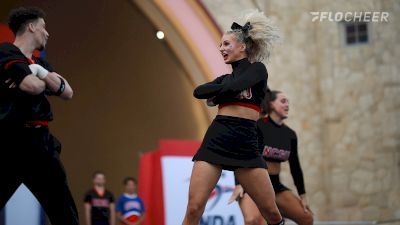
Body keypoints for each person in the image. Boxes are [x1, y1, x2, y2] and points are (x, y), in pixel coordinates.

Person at [182, 11, 283, 225]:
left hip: (246, 141)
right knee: (193, 208)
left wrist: (218, 93)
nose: (221, 49)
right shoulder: (225, 77)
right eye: (220, 45)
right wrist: (222, 88)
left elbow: (236, 86)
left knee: (272, 213)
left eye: (226, 44)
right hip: (218, 137)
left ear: (242, 47)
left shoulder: (257, 70)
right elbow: (199, 91)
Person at [0, 7, 78, 225]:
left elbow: (67, 92)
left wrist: (37, 71)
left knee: (65, 213)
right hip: (10, 143)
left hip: (41, 144)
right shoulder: (7, 52)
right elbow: (32, 87)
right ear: (31, 27)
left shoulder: (40, 64)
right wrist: (44, 79)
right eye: (44, 27)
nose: (47, 33)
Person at [229, 90, 313, 225]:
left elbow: (295, 167)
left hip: (274, 185)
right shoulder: (258, 125)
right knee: (252, 220)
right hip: (252, 183)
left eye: (288, 102)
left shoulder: (290, 134)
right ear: (271, 104)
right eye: (283, 101)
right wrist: (238, 183)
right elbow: (240, 153)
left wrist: (303, 196)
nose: (287, 105)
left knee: (307, 218)